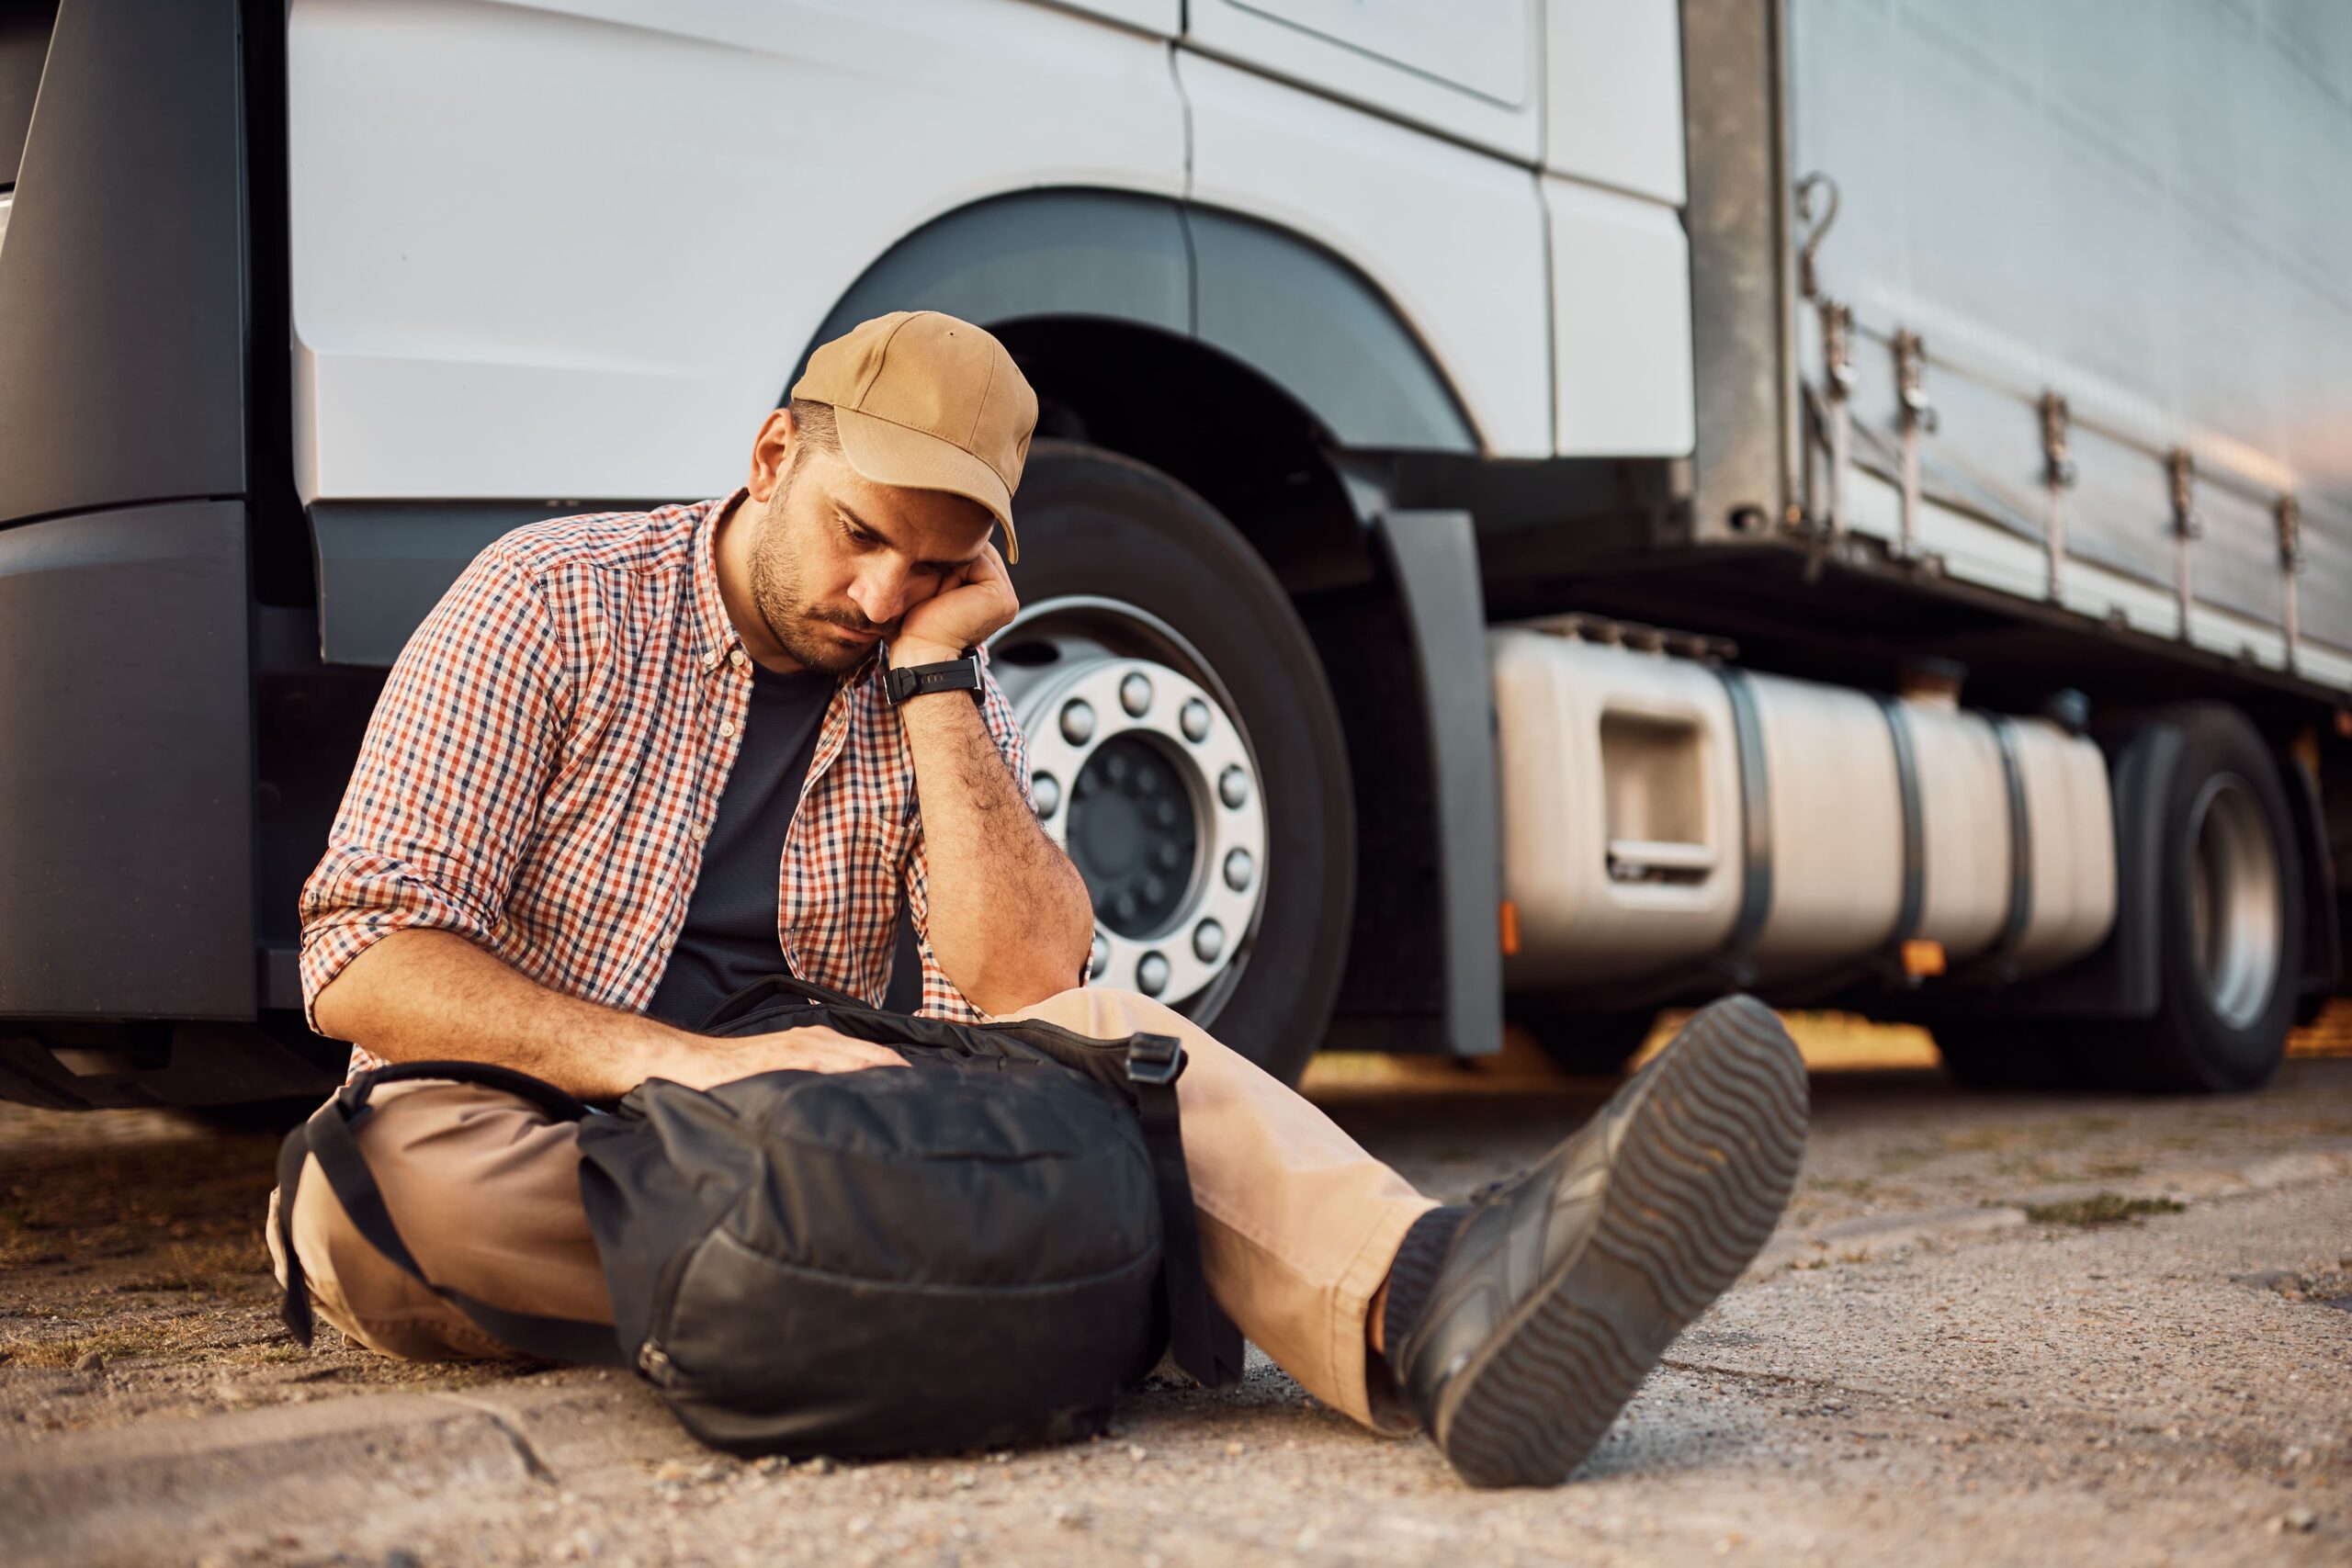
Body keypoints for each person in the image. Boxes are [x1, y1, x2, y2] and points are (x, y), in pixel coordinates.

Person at [268, 310, 1809, 1489]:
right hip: (540, 1122)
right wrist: (679, 1067)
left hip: (810, 1144)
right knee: (379, 1199)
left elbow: (1026, 992)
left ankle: (1434, 1308)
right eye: (859, 535)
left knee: (1118, 1048)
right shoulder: (548, 599)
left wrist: (939, 684)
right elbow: (362, 951)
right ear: (772, 457)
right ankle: (1024, 1290)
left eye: (931, 567)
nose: (881, 595)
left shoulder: (931, 672)